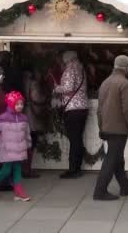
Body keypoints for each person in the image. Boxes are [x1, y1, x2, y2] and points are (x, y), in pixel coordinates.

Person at [93, 55, 128, 201]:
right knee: (112, 159)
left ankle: (125, 187)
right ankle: (100, 192)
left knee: (117, 158)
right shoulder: (125, 84)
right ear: (127, 67)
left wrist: (101, 126)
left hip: (107, 126)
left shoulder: (105, 83)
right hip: (119, 129)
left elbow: (99, 109)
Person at [0, 91, 32, 202]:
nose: (20, 106)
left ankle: (18, 191)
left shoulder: (24, 119)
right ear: (11, 104)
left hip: (19, 151)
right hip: (7, 151)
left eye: (21, 104)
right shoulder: (3, 118)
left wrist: (28, 144)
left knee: (17, 170)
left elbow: (27, 134)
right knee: (6, 170)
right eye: (17, 104)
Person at [54, 51, 89, 179]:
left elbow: (68, 88)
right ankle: (77, 168)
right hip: (82, 107)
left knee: (74, 139)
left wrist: (56, 88)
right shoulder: (81, 68)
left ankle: (73, 170)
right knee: (77, 138)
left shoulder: (70, 69)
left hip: (73, 108)